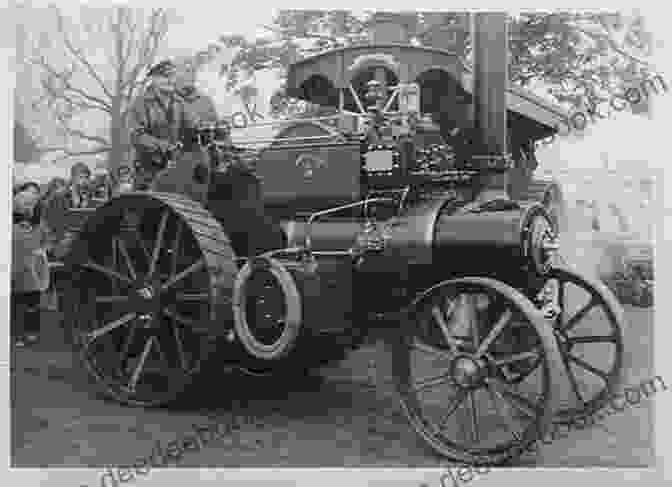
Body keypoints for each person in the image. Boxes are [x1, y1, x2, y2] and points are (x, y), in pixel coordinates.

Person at [128, 59, 199, 190]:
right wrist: (164, 147)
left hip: (176, 171)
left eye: (172, 76)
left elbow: (193, 127)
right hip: (148, 172)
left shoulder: (180, 103)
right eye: (165, 77)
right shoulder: (141, 103)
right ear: (153, 79)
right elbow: (136, 136)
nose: (170, 80)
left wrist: (206, 131)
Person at [12, 188, 50, 346]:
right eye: (24, 205)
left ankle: (31, 333)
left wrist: (43, 250)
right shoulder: (12, 226)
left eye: (30, 204)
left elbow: (47, 242)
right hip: (17, 270)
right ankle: (19, 334)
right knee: (17, 305)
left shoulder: (40, 226)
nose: (27, 208)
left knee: (32, 305)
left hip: (34, 271)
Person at [176, 57, 218, 124]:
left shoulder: (205, 101)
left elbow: (216, 128)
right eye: (187, 71)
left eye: (193, 71)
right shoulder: (168, 99)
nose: (191, 75)